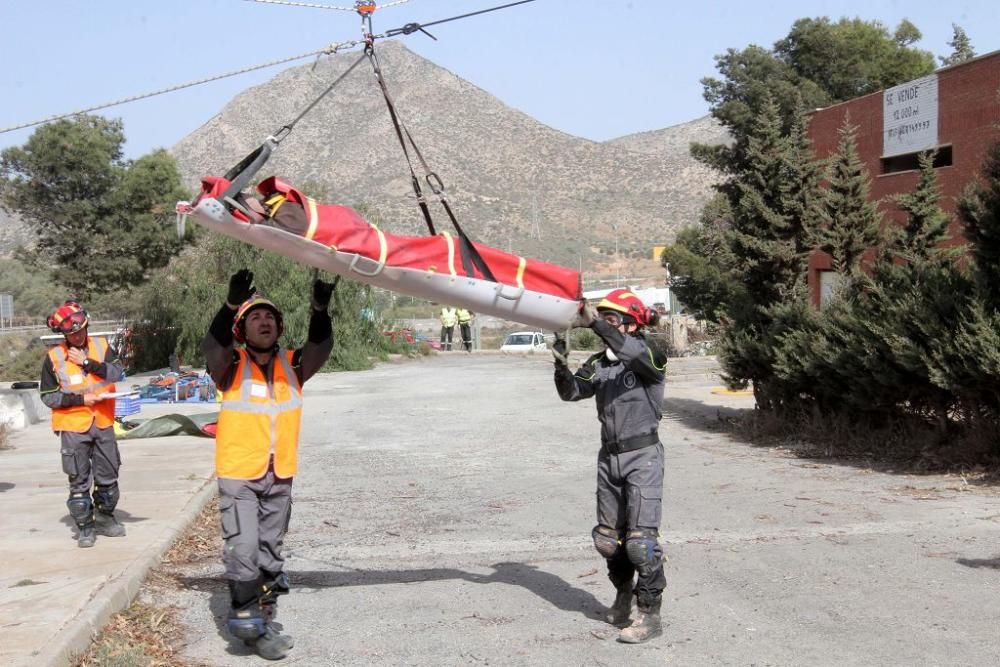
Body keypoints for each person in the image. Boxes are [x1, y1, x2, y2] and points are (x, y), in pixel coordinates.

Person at [202, 269, 335, 661]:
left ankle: (263, 616)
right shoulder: (229, 366)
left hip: (280, 475)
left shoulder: (294, 365)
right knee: (243, 550)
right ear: (242, 329)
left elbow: (321, 343)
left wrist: (320, 309)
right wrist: (229, 307)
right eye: (255, 317)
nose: (264, 321)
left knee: (269, 552)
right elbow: (214, 343)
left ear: (279, 327)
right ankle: (249, 625)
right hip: (240, 473)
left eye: (270, 317)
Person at [552, 289, 667, 644]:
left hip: (643, 456)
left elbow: (630, 351)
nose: (605, 324)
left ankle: (649, 615)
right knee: (606, 539)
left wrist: (595, 323)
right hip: (609, 457)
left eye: (613, 318)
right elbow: (572, 392)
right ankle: (623, 595)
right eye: (603, 317)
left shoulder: (650, 356)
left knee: (640, 543)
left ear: (631, 324)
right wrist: (560, 363)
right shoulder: (600, 363)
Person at [39, 301, 127, 548]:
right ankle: (85, 528)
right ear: (64, 335)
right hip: (72, 426)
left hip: (103, 422)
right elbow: (48, 396)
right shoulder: (54, 357)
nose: (78, 336)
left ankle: (106, 519)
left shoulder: (100, 346)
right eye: (72, 333)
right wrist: (81, 399)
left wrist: (88, 362)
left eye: (81, 330)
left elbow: (117, 374)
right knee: (78, 481)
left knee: (109, 477)